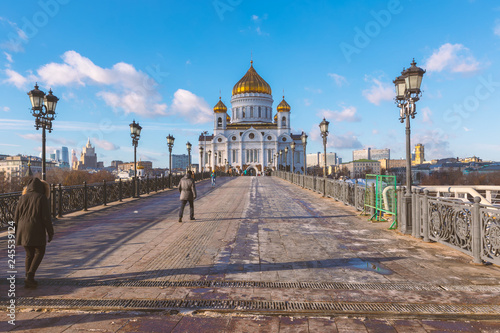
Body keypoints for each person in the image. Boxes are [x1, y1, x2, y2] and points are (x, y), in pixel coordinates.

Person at [15, 177, 54, 288]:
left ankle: (28, 279)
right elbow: (46, 218)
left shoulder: (22, 197)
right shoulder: (42, 198)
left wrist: (17, 231)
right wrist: (50, 232)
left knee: (29, 254)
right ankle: (30, 276)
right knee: (40, 251)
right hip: (36, 228)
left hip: (23, 229)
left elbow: (16, 216)